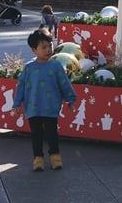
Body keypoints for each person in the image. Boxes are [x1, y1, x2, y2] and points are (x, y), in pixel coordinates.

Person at [13, 29, 77, 171]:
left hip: (51, 107)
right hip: (33, 107)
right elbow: (21, 86)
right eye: (44, 47)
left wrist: (70, 99)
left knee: (51, 133)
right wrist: (17, 103)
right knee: (36, 135)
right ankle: (38, 158)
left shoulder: (56, 66)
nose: (48, 50)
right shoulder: (29, 68)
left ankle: (55, 157)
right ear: (34, 50)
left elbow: (64, 83)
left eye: (50, 45)